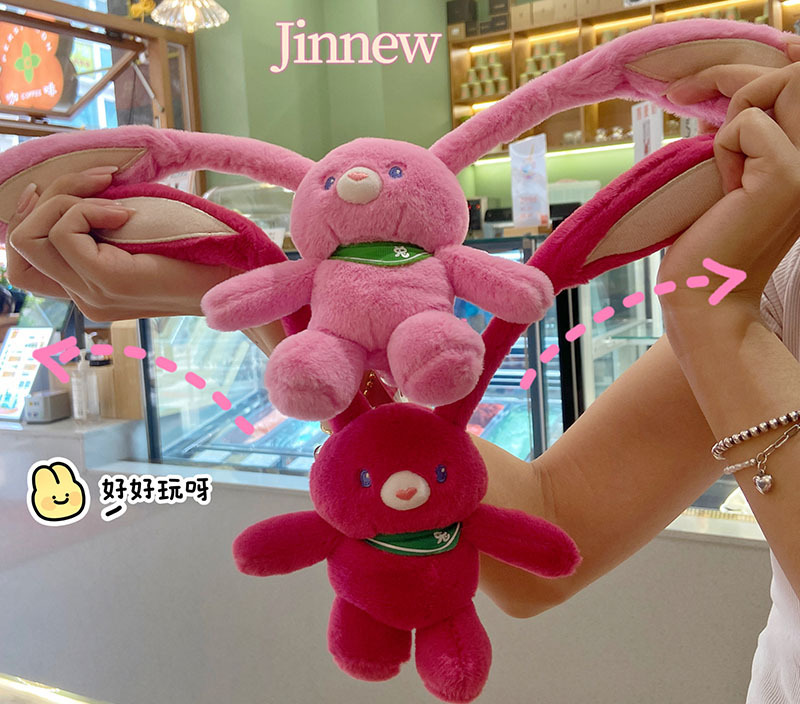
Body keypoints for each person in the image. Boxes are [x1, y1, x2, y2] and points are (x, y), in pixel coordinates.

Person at [5, 47, 800, 703]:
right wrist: (297, 321)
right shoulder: (782, 266)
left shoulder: (750, 271)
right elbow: (559, 527)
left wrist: (712, 315)